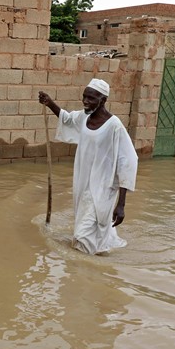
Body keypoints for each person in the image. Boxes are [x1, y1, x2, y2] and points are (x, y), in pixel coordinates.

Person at [38, 79, 138, 255]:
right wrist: (50, 103)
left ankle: (84, 272)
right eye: (84, 97)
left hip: (103, 187)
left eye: (91, 98)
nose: (85, 101)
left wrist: (121, 204)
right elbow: (67, 119)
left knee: (82, 235)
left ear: (103, 100)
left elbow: (128, 161)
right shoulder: (84, 117)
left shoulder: (114, 126)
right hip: (83, 182)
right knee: (91, 226)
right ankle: (101, 256)